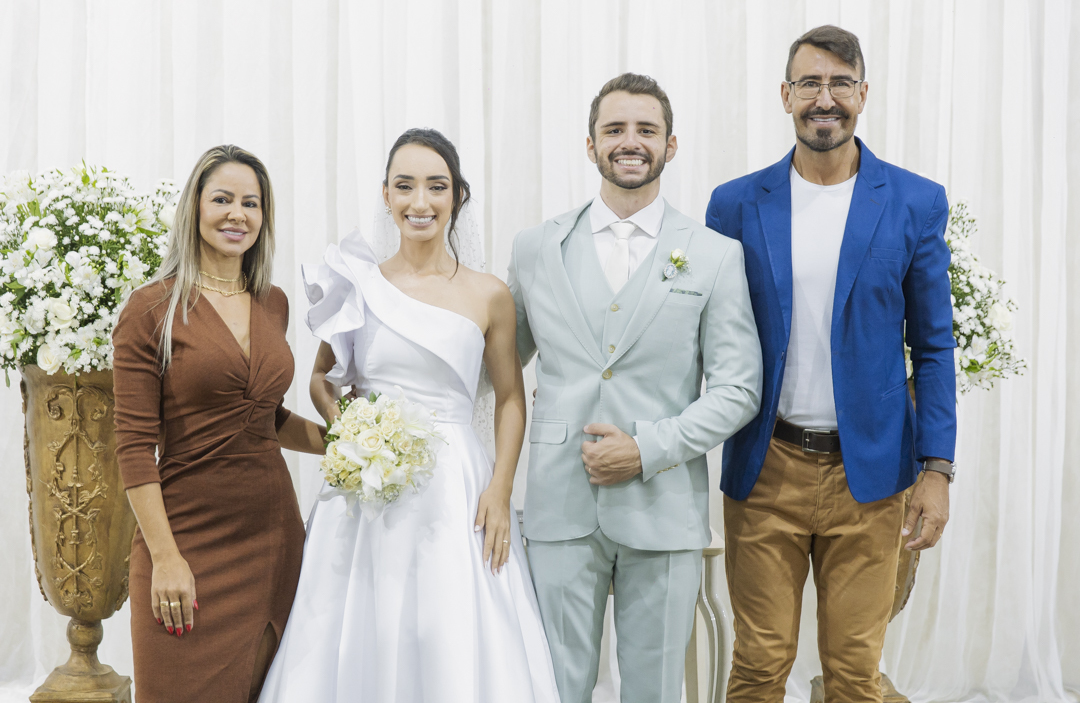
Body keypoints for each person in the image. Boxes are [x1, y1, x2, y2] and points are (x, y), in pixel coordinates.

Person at [257, 128, 560, 703]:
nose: (420, 202)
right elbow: (322, 377)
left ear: (457, 197)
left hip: (456, 486)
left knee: (444, 624)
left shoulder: (489, 293)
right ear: (386, 196)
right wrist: (351, 430)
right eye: (405, 187)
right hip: (366, 488)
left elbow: (511, 397)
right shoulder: (356, 283)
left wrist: (500, 488)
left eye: (436, 187)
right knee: (360, 621)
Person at [705, 25, 957, 702]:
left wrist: (937, 469)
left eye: (840, 83)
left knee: (853, 671)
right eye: (810, 83)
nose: (825, 98)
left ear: (863, 94)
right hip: (766, 468)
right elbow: (706, 335)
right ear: (785, 95)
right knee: (759, 664)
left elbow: (934, 346)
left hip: (871, 475)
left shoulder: (914, 201)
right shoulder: (733, 205)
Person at [509, 73, 763, 703]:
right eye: (614, 129)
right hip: (558, 504)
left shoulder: (713, 255)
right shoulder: (537, 248)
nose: (630, 142)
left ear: (670, 146)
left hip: (665, 503)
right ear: (589, 145)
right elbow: (497, 365)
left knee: (653, 691)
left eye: (646, 130)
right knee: (554, 685)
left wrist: (648, 449)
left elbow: (738, 388)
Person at [112, 144, 327, 703]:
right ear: (195, 208)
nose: (238, 214)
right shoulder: (150, 309)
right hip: (185, 539)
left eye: (251, 203)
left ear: (264, 217)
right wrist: (165, 557)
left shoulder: (273, 302)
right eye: (223, 199)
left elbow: (265, 417)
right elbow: (134, 448)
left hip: (274, 536)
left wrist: (344, 443)